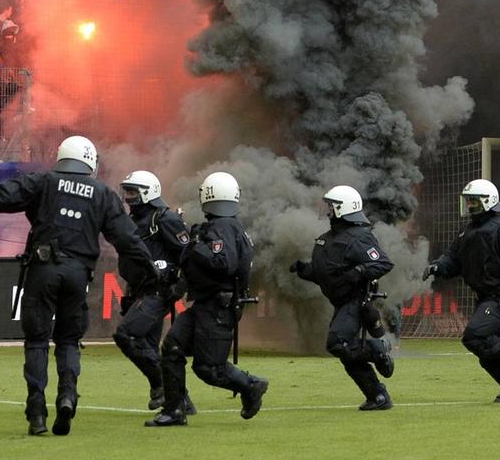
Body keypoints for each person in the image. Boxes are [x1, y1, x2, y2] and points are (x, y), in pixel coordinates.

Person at [0, 134, 155, 435]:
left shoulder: (44, 181)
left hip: (42, 269)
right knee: (68, 341)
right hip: (77, 275)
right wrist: (151, 269)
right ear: (89, 161)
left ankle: (36, 413)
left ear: (62, 156)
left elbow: (1, 196)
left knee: (36, 342)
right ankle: (67, 396)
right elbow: (127, 239)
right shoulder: (102, 193)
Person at [147, 172, 269, 425]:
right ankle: (174, 410)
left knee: (209, 369)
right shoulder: (225, 227)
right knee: (172, 347)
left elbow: (224, 263)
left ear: (208, 196)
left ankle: (251, 385)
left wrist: (195, 246)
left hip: (217, 307)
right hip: (206, 304)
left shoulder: (223, 228)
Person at [425, 178, 500, 402]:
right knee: (484, 353)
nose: (470, 206)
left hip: (497, 298)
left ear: (488, 202)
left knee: (473, 338)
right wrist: (437, 266)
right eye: (468, 202)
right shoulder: (469, 231)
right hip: (483, 297)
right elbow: (453, 259)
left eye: (474, 202)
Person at [291, 185, 397, 411]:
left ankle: (377, 349)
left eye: (331, 207)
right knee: (347, 354)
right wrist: (305, 270)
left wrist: (359, 271)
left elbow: (382, 263)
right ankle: (378, 396)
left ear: (343, 209)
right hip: (341, 303)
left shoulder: (359, 237)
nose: (327, 211)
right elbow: (327, 273)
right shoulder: (327, 239)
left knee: (337, 343)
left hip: (356, 302)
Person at [113, 171, 192, 412]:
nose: (128, 196)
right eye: (126, 190)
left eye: (133, 191)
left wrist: (181, 285)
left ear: (148, 192)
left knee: (128, 335)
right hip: (139, 291)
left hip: (158, 292)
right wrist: (128, 295)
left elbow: (188, 255)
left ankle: (160, 385)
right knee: (147, 345)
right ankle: (181, 401)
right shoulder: (132, 221)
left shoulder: (165, 219)